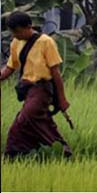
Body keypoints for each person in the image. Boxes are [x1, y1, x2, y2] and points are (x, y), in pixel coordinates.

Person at [0, 11, 72, 157]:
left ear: (28, 27)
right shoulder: (16, 43)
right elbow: (10, 67)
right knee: (35, 121)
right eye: (13, 32)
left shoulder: (46, 42)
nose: (15, 35)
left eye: (18, 32)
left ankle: (17, 151)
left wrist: (62, 99)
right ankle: (59, 150)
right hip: (27, 90)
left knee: (25, 117)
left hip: (42, 89)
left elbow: (55, 73)